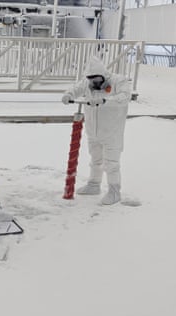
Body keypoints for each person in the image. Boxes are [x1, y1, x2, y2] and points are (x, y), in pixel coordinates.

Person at [61, 56, 131, 205]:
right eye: (92, 80)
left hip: (112, 131)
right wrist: (69, 94)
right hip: (93, 131)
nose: (94, 83)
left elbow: (125, 97)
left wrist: (105, 101)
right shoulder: (88, 82)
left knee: (111, 163)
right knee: (96, 159)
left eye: (97, 80)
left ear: (103, 75)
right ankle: (94, 184)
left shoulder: (119, 81)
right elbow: (77, 88)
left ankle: (114, 191)